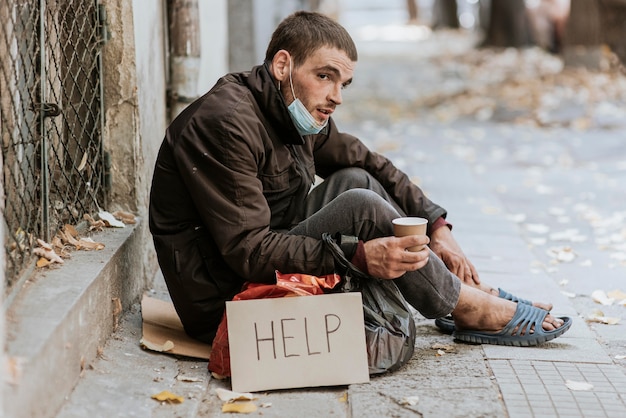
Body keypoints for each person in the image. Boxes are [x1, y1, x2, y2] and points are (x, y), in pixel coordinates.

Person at [149, 11, 571, 347]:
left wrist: (437, 226)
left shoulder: (291, 108)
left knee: (358, 178)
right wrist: (357, 256)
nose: (336, 96)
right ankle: (466, 306)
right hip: (227, 299)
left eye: (344, 83)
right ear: (283, 65)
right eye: (325, 76)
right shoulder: (226, 123)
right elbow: (248, 251)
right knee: (361, 205)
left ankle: (455, 291)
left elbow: (367, 161)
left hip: (267, 253)